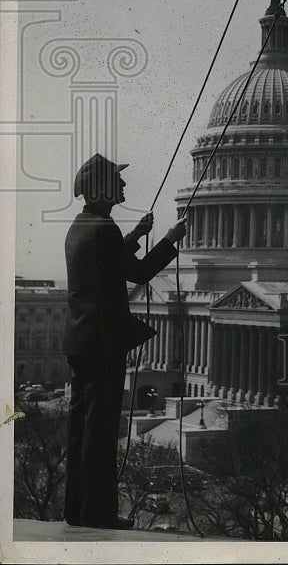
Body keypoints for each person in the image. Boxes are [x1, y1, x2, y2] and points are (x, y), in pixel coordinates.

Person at [62, 152, 186, 529]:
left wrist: (136, 235)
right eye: (117, 180)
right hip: (103, 345)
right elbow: (138, 272)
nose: (124, 185)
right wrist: (168, 239)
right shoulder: (104, 229)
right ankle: (98, 513)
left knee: (82, 429)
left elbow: (110, 262)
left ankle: (78, 510)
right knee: (101, 431)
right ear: (101, 187)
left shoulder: (82, 226)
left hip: (82, 342)